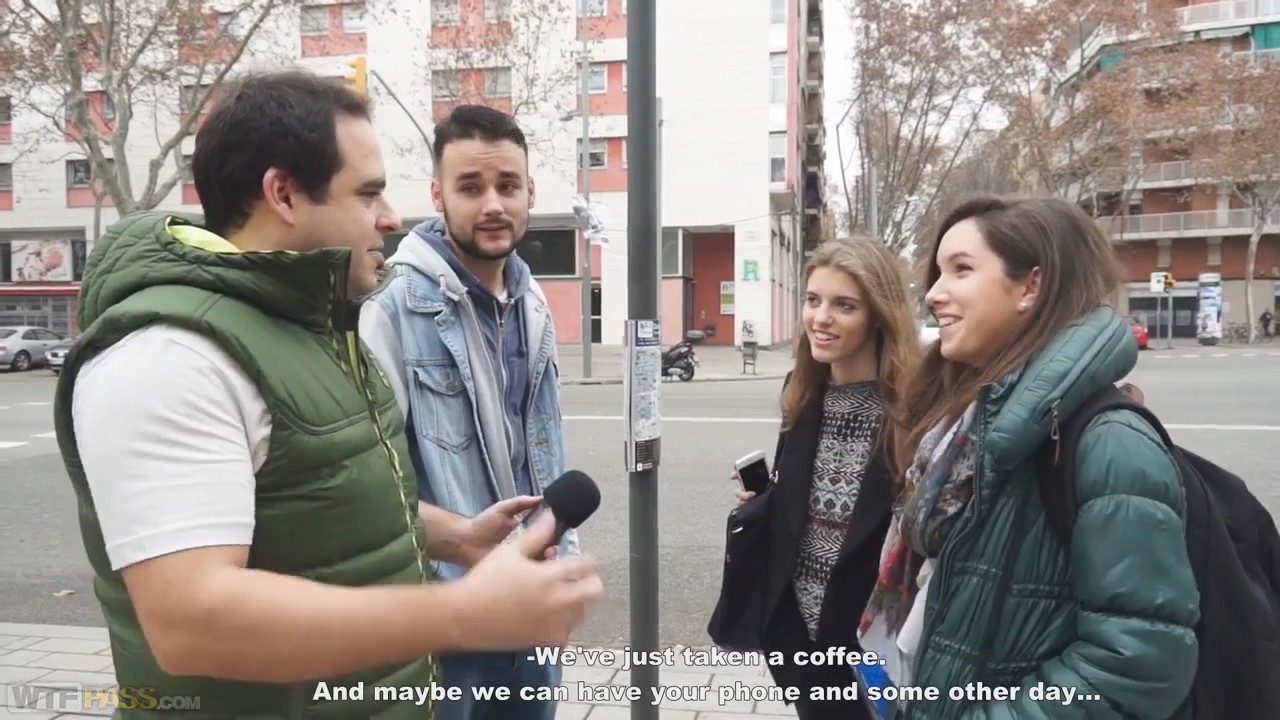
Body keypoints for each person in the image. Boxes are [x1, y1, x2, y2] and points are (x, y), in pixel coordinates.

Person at [51, 72, 602, 719]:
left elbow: (328, 497)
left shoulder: (319, 327)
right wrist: (462, 612)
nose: (390, 217)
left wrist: (458, 539)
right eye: (368, 193)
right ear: (283, 194)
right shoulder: (169, 357)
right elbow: (189, 621)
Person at [857, 195, 1199, 719]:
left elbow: (1139, 663)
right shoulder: (964, 421)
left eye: (961, 270)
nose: (934, 294)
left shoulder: (1110, 442)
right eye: (938, 273)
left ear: (1030, 287)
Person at [360, 104, 573, 720]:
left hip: (530, 607)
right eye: (471, 187)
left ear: (530, 191)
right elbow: (370, 481)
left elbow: (544, 453)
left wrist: (561, 566)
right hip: (448, 621)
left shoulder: (531, 301)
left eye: (508, 185)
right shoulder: (392, 307)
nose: (493, 205)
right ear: (437, 195)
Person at [731, 238, 921, 720]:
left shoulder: (913, 408)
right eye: (813, 300)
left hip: (870, 643)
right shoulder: (800, 391)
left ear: (878, 315)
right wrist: (766, 500)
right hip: (797, 636)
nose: (821, 318)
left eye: (844, 305)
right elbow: (800, 505)